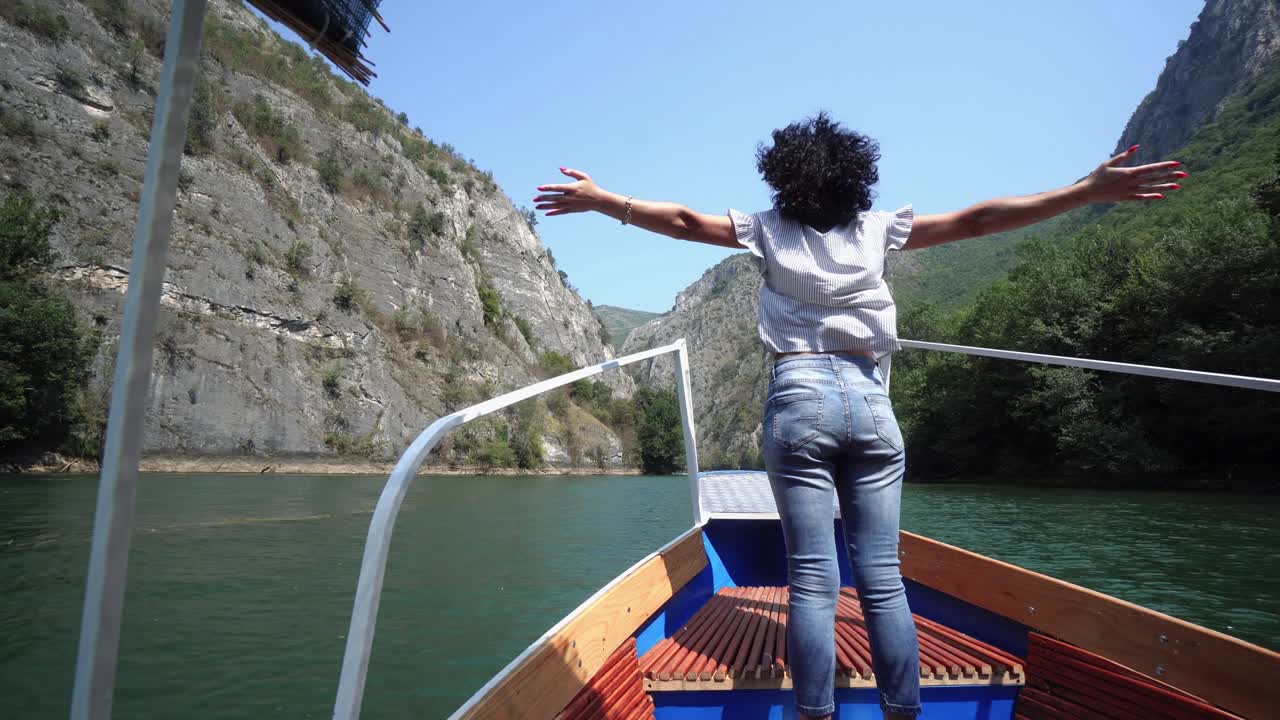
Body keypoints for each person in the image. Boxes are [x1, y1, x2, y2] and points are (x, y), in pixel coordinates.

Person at [533, 112, 1185, 719]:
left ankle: (815, 713)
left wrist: (605, 200)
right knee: (881, 577)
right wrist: (1083, 191)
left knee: (813, 581)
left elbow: (679, 220)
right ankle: (903, 711)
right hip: (872, 406)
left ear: (783, 177)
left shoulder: (768, 229)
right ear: (856, 176)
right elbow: (981, 218)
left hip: (799, 403)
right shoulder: (878, 229)